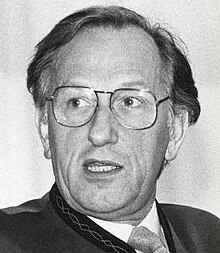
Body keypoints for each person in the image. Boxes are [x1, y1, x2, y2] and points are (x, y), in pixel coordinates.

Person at [0, 5, 219, 253]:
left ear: (175, 131)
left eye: (129, 102)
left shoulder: (208, 236)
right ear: (44, 128)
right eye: (76, 102)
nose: (100, 133)